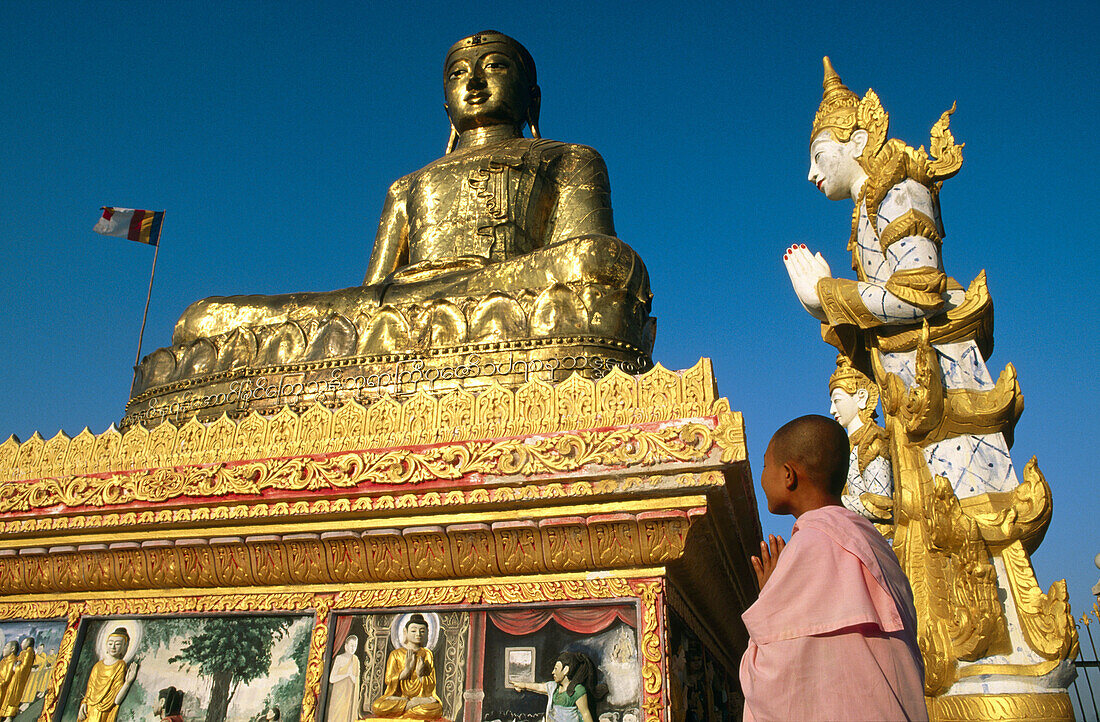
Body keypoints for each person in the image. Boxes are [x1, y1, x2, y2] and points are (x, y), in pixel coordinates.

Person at [172, 30, 649, 349]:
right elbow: (371, 293)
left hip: (504, 290)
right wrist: (387, 307)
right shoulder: (409, 183)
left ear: (533, 97)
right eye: (459, 73)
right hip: (402, 305)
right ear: (446, 107)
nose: (475, 83)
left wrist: (471, 288)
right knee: (203, 318)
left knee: (600, 261)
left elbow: (583, 262)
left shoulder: (567, 158)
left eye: (496, 67)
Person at [740, 415, 926, 721]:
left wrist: (768, 597)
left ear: (788, 475)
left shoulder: (809, 547)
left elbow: (771, 683)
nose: (762, 478)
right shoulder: (878, 546)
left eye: (764, 466)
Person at [828, 356, 892, 524]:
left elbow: (881, 502)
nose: (832, 410)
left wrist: (832, 504)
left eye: (837, 401)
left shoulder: (873, 440)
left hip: (882, 537)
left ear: (861, 397)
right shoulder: (846, 447)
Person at [370, 614, 443, 719]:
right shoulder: (396, 654)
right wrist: (405, 671)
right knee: (377, 706)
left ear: (427, 633)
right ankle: (409, 706)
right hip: (399, 698)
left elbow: (431, 684)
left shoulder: (427, 654)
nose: (418, 634)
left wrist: (420, 675)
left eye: (422, 631)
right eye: (413, 631)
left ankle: (407, 707)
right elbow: (388, 680)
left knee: (437, 709)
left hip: (421, 698)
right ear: (405, 632)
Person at [511, 650, 598, 722]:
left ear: (565, 670)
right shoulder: (553, 687)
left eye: (556, 669)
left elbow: (585, 714)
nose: (553, 672)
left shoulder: (578, 690)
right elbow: (539, 687)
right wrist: (522, 685)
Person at [77, 627, 139, 722]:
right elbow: (90, 689)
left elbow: (116, 700)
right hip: (89, 709)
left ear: (124, 647)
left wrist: (128, 682)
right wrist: (84, 703)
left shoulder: (120, 665)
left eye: (117, 644)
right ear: (106, 645)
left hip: (105, 710)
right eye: (110, 643)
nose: (113, 647)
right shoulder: (97, 666)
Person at [326, 634, 360, 722]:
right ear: (346, 646)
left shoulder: (356, 660)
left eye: (355, 646)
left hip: (349, 697)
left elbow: (357, 681)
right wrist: (346, 675)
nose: (353, 648)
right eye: (351, 645)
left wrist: (354, 679)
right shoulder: (339, 658)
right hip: (338, 695)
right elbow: (332, 679)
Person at [0, 636, 35, 721]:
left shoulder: (28, 653)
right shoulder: (5, 660)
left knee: (12, 696)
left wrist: (16, 668)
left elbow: (23, 667)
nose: (22, 644)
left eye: (24, 642)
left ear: (12, 649)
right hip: (13, 679)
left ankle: (9, 716)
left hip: (16, 680)